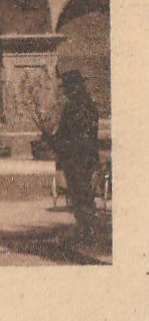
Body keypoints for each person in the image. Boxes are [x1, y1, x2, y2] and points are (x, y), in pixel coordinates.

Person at [53, 70, 102, 236]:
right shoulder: (90, 105)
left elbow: (66, 134)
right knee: (85, 190)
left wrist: (56, 145)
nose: (65, 91)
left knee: (78, 191)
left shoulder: (72, 107)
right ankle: (87, 226)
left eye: (67, 87)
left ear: (72, 88)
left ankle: (84, 227)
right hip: (88, 155)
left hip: (75, 156)